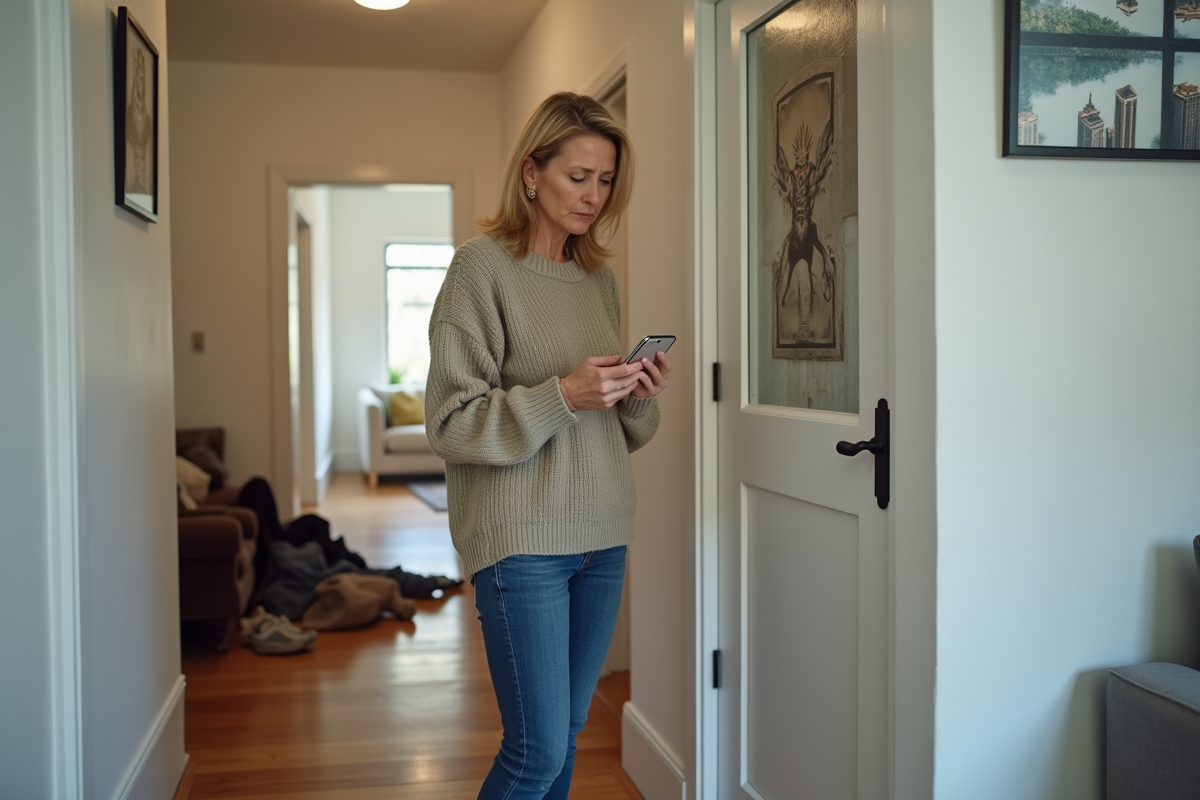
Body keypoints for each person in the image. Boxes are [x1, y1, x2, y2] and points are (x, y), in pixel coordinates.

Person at [424, 92, 671, 799]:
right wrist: (562, 395)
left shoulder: (599, 279)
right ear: (532, 173)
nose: (595, 196)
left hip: (603, 536)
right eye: (578, 177)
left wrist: (636, 388)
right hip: (521, 544)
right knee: (533, 754)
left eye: (605, 180)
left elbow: (626, 433)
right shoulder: (480, 270)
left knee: (562, 741)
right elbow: (449, 421)